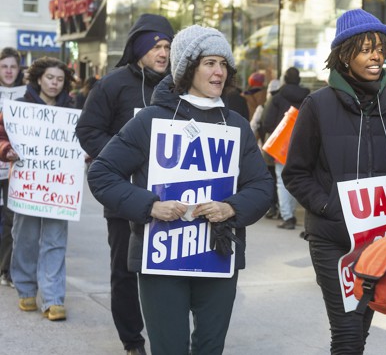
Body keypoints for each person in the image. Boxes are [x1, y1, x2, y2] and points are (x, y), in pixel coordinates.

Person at [87, 25, 272, 354]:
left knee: (210, 347)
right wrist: (150, 206)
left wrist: (232, 207)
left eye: (223, 64)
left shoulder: (236, 125)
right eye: (210, 63)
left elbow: (261, 186)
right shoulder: (150, 120)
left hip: (218, 252)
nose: (219, 71)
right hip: (161, 256)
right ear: (187, 68)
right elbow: (102, 173)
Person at [282, 9, 386, 354]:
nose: (376, 56)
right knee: (348, 333)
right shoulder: (317, 105)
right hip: (333, 242)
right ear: (344, 54)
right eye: (366, 49)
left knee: (361, 331)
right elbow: (295, 172)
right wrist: (331, 207)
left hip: (383, 243)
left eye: (381, 49)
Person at [75, 13, 174, 355]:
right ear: (138, 48)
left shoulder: (180, 86)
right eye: (156, 46)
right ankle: (132, 341)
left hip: (173, 199)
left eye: (168, 46)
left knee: (169, 273)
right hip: (123, 197)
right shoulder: (112, 85)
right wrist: (122, 156)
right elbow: (87, 131)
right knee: (125, 271)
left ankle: (168, 336)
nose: (163, 52)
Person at [0, 57, 75, 321]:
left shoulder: (73, 111)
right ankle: (26, 290)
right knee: (25, 239)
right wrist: (6, 151)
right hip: (27, 186)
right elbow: (1, 136)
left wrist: (84, 154)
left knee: (56, 241)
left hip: (60, 188)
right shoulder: (19, 107)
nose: (54, 84)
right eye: (50, 78)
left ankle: (54, 298)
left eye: (60, 79)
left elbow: (85, 139)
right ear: (39, 78)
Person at [263, 67, 309, 230]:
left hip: (281, 146)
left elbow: (266, 122)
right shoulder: (308, 97)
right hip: (303, 143)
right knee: (298, 178)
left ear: (285, 79)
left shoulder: (277, 98)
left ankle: (287, 216)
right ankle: (292, 214)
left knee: (282, 180)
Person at [0, 47, 25, 288]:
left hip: (12, 166)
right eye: (4, 66)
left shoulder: (27, 96)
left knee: (10, 218)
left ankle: (6, 269)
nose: (8, 71)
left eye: (12, 66)